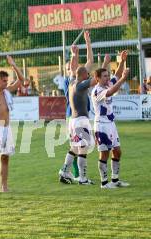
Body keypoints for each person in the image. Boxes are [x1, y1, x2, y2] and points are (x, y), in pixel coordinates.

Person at [58, 30, 96, 185]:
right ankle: (82, 177)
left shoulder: (74, 81)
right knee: (83, 147)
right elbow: (93, 77)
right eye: (88, 73)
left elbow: (88, 61)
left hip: (74, 120)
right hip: (80, 120)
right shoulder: (81, 85)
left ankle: (64, 171)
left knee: (74, 146)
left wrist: (84, 45)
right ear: (85, 75)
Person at [0, 53, 23, 194]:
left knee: (5, 158)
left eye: (7, 81)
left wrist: (13, 64)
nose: (6, 83)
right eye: (3, 81)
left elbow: (22, 80)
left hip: (7, 128)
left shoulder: (7, 91)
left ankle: (4, 186)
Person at [92, 65, 130, 189]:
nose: (107, 78)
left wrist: (122, 61)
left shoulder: (107, 84)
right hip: (101, 126)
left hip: (111, 124)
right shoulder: (97, 90)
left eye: (108, 75)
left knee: (117, 151)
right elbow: (112, 91)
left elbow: (116, 76)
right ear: (97, 78)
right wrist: (123, 79)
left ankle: (115, 180)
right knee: (104, 154)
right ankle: (104, 183)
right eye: (104, 76)